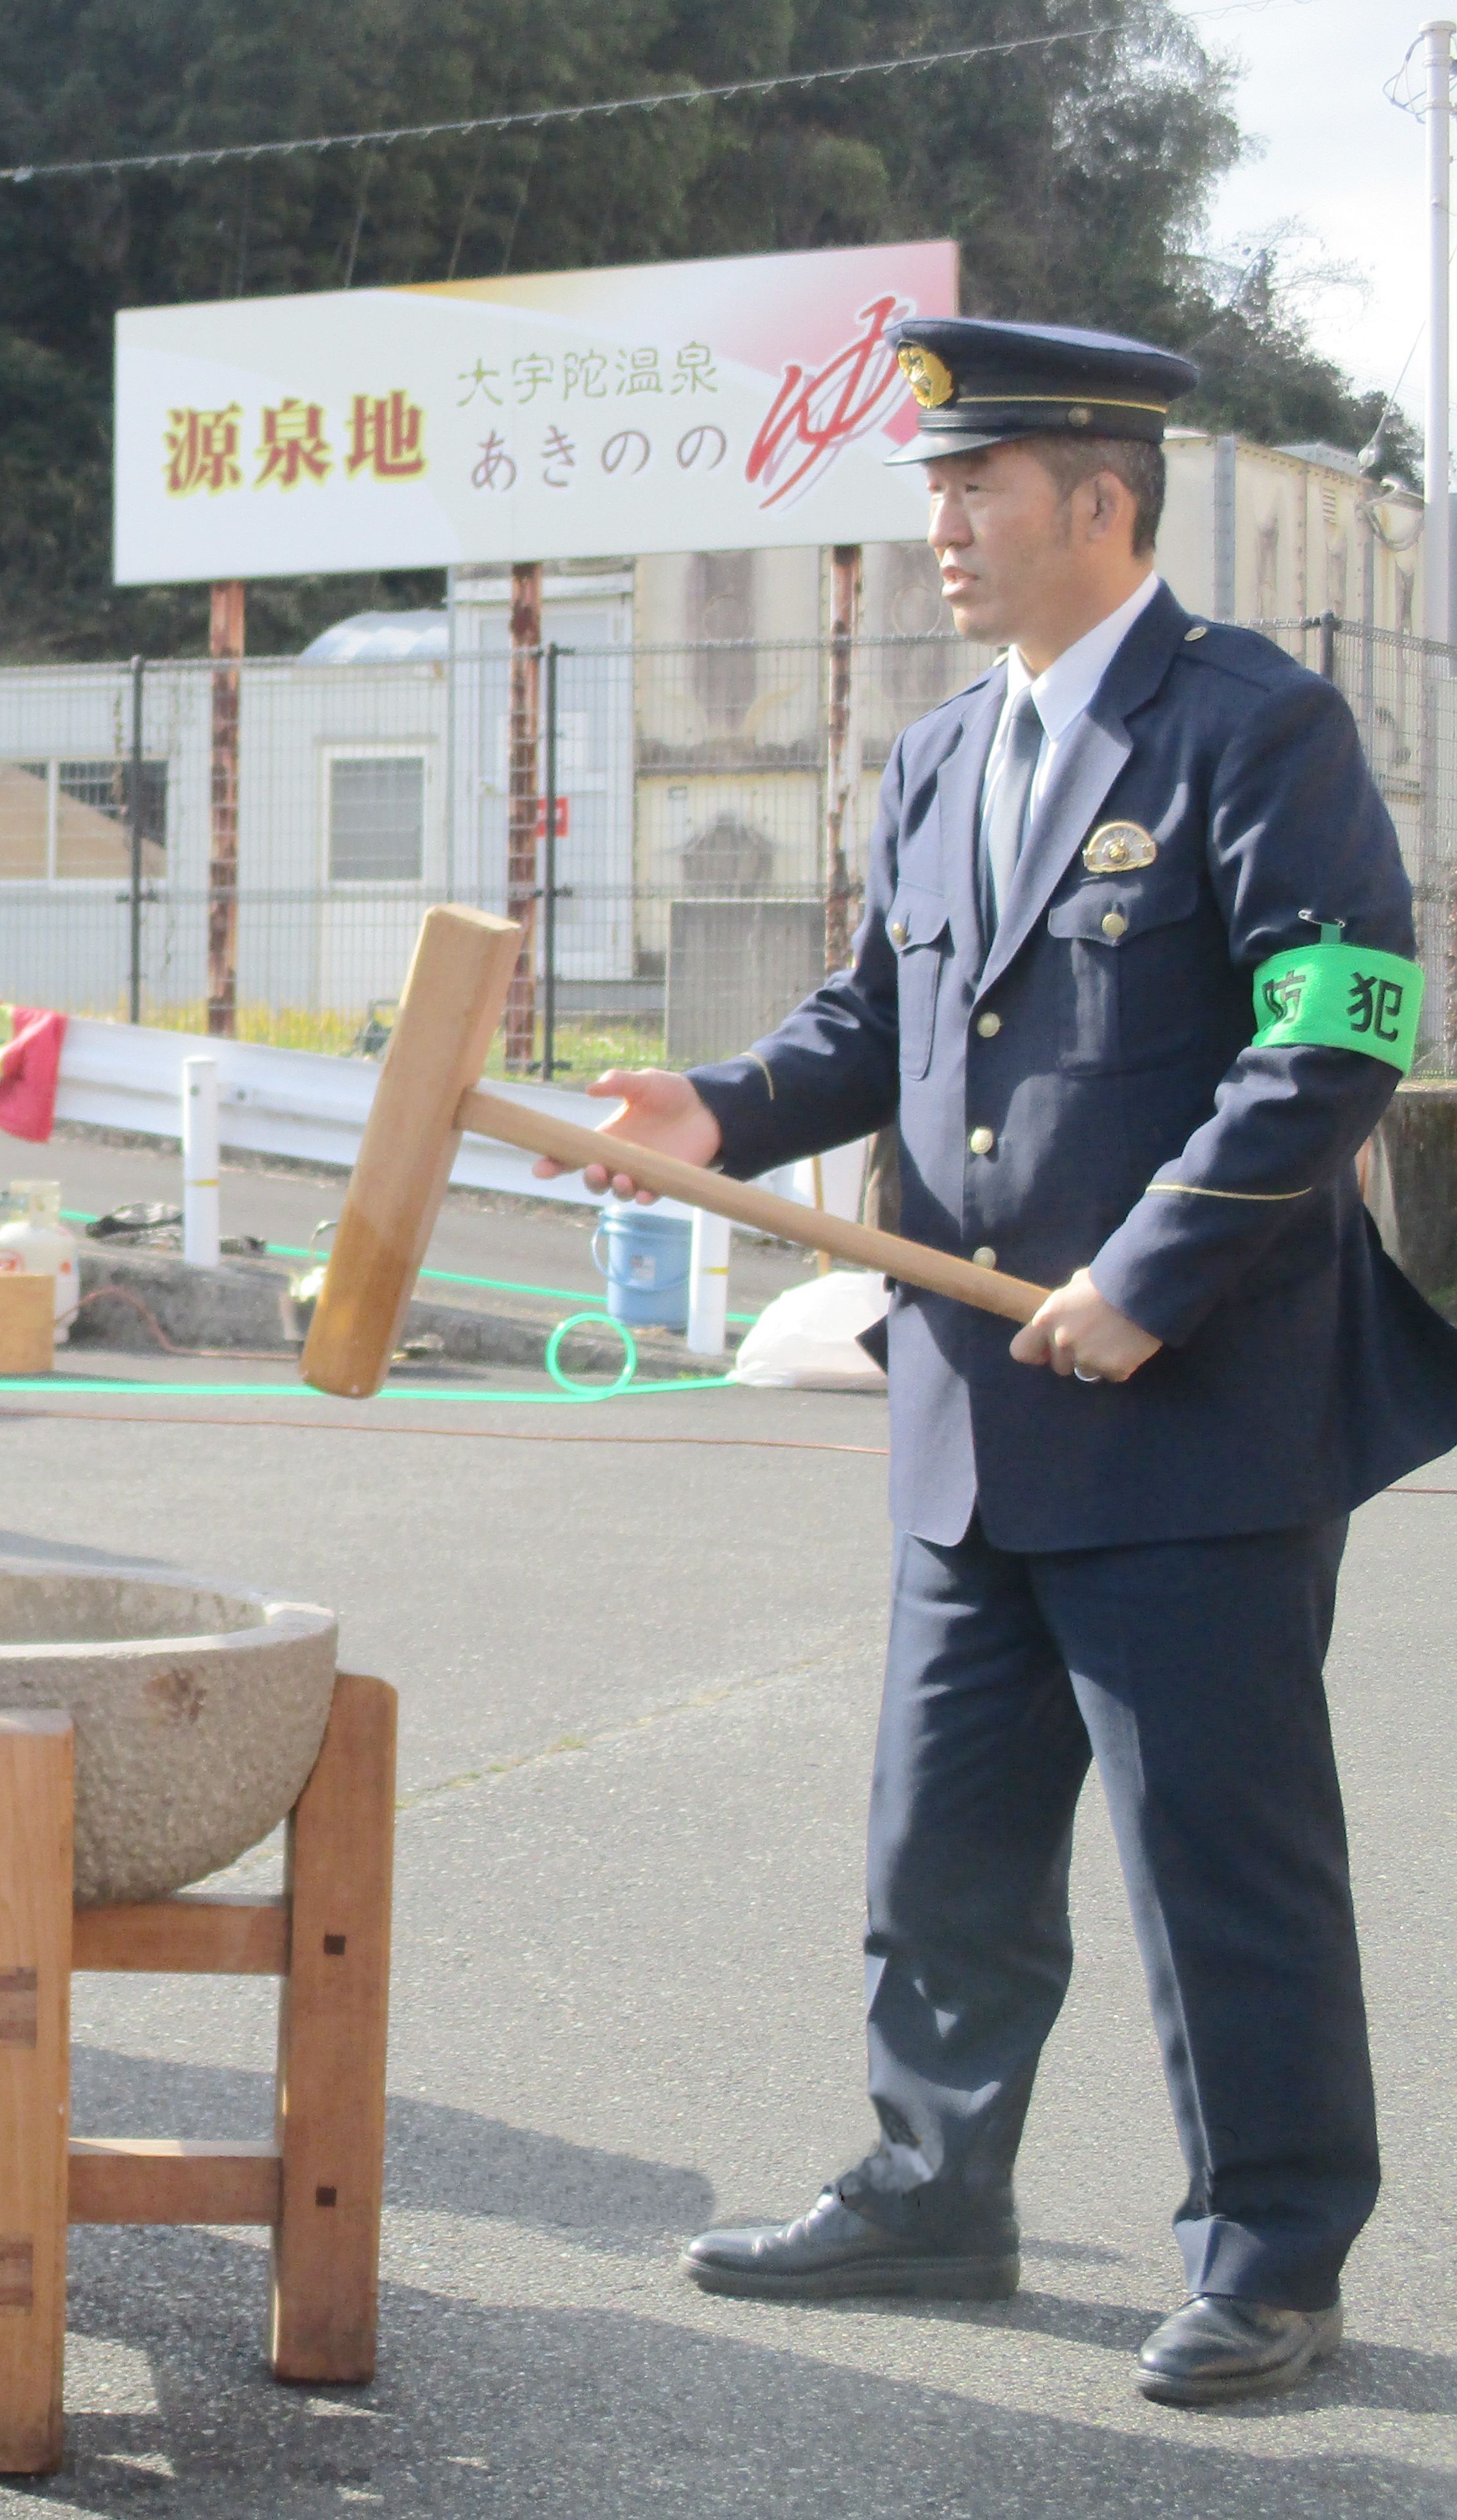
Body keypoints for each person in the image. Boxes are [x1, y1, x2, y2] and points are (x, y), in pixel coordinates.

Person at [563, 319, 1457, 2408]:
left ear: (1099, 503)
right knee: (938, 1846)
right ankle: (929, 2185)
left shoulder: (1257, 726)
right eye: (933, 492)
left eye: (978, 490)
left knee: (1214, 1858)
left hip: (1193, 1416)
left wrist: (1150, 1269)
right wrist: (709, 1107)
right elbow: (872, 1026)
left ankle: (1268, 2246)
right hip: (975, 1406)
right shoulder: (945, 753)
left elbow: (1332, 1028)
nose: (940, 530)